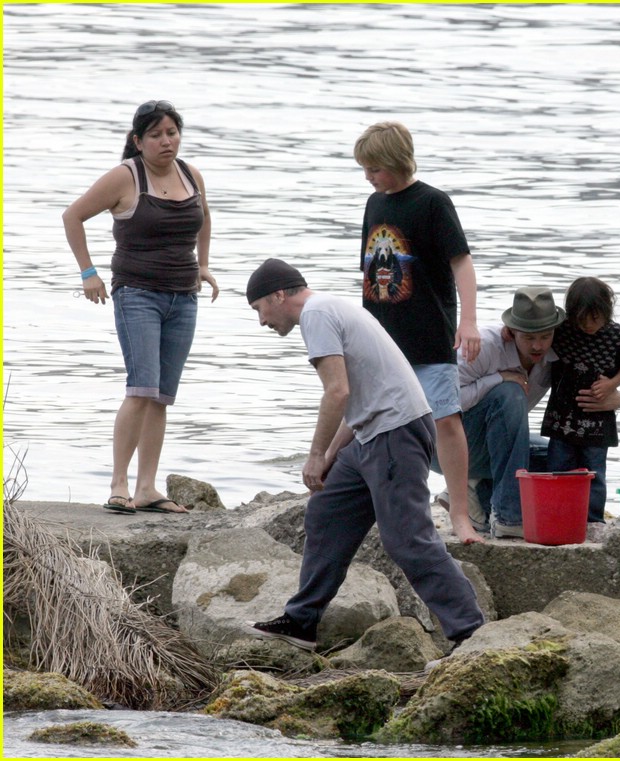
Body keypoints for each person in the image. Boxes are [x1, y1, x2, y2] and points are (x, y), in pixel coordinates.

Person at [243, 258, 483, 651]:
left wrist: (315, 454)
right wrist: (333, 457)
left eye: (259, 310)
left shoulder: (316, 316)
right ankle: (302, 621)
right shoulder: (329, 309)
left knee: (408, 540)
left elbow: (336, 393)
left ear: (278, 295)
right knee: (326, 512)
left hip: (396, 434)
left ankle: (470, 632)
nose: (262, 321)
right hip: (373, 433)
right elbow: (358, 399)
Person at [62, 100, 219, 515]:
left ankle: (147, 487)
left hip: (183, 297)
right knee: (141, 387)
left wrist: (203, 266)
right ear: (138, 141)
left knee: (162, 396)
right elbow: (73, 216)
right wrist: (88, 273)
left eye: (172, 132)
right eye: (156, 135)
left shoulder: (190, 174)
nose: (167, 141)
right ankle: (119, 484)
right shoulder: (125, 177)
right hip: (138, 294)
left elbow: (203, 216)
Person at [353, 121, 484, 545]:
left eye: (374, 168)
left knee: (445, 419)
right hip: (380, 336)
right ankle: (381, 506)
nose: (369, 177)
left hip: (429, 334)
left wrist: (468, 321)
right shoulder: (374, 203)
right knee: (374, 422)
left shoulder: (433, 202)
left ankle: (461, 515)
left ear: (395, 161)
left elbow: (461, 263)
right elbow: (368, 270)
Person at [458, 287, 620, 539]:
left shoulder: (556, 354)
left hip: (494, 444)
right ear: (512, 331)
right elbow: (442, 403)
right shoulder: (484, 347)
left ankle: (477, 492)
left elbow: (590, 379)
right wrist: (497, 379)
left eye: (545, 336)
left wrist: (617, 398)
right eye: (528, 338)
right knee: (509, 393)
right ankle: (508, 517)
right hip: (453, 445)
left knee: (565, 457)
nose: (537, 346)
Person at [542, 277, 620, 524]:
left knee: (594, 472)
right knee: (559, 469)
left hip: (597, 420)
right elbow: (535, 336)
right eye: (582, 320)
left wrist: (612, 384)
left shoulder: (617, 335)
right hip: (562, 417)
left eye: (594, 319)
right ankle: (558, 518)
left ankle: (593, 520)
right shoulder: (562, 331)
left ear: (606, 312)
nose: (588, 326)